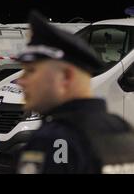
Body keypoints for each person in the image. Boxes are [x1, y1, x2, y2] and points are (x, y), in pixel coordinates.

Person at [15, 10, 134, 174]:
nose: (21, 80)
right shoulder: (121, 130)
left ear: (65, 76)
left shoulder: (52, 140)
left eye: (31, 70)